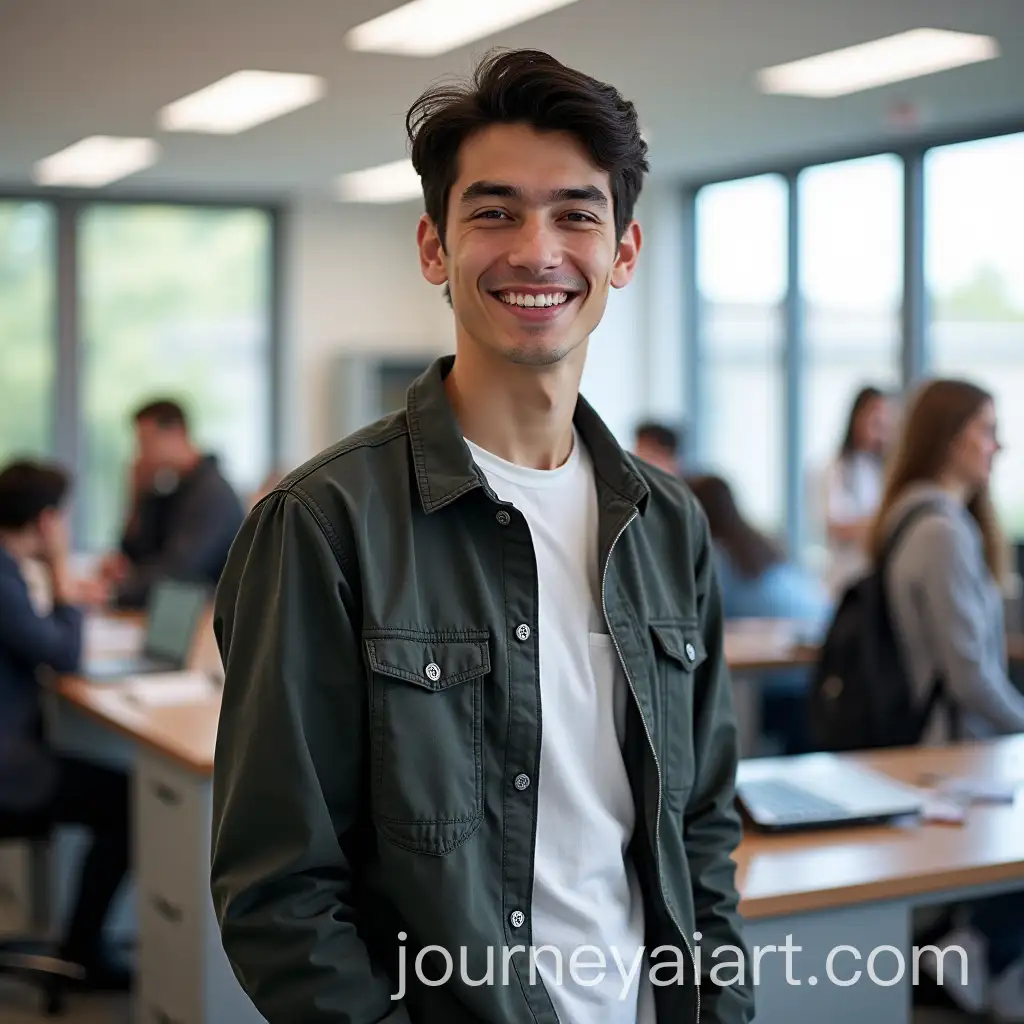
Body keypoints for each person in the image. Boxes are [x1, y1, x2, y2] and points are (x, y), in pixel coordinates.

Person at [210, 49, 753, 1024]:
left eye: (576, 214)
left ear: (623, 253)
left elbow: (698, 826)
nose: (537, 250)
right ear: (433, 246)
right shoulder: (324, 523)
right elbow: (278, 890)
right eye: (494, 212)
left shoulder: (668, 525)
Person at [868, 379, 1024, 1021]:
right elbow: (969, 677)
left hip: (940, 751)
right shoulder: (941, 531)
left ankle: (966, 951)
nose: (999, 445)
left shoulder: (915, 514)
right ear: (949, 436)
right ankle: (966, 951)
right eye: (986, 429)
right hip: (952, 756)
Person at [0, 460, 131, 989]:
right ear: (48, 520)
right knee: (128, 801)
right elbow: (65, 656)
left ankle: (81, 940)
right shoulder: (2, 581)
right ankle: (83, 952)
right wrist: (59, 569)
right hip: (9, 773)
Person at [688, 474, 831, 755]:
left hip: (781, 682)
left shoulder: (715, 555)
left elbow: (701, 619)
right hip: (818, 663)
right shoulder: (759, 541)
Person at [98, 399, 245, 609]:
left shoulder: (212, 494)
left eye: (146, 442)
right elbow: (137, 556)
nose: (140, 454)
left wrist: (113, 592)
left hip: (206, 626)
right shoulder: (171, 489)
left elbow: (179, 571)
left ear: (177, 433)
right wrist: (136, 497)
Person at [819, 386, 893, 598]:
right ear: (856, 418)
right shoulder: (836, 468)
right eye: (875, 421)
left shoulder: (884, 470)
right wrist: (881, 524)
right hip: (844, 580)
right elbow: (836, 526)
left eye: (885, 423)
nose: (880, 430)